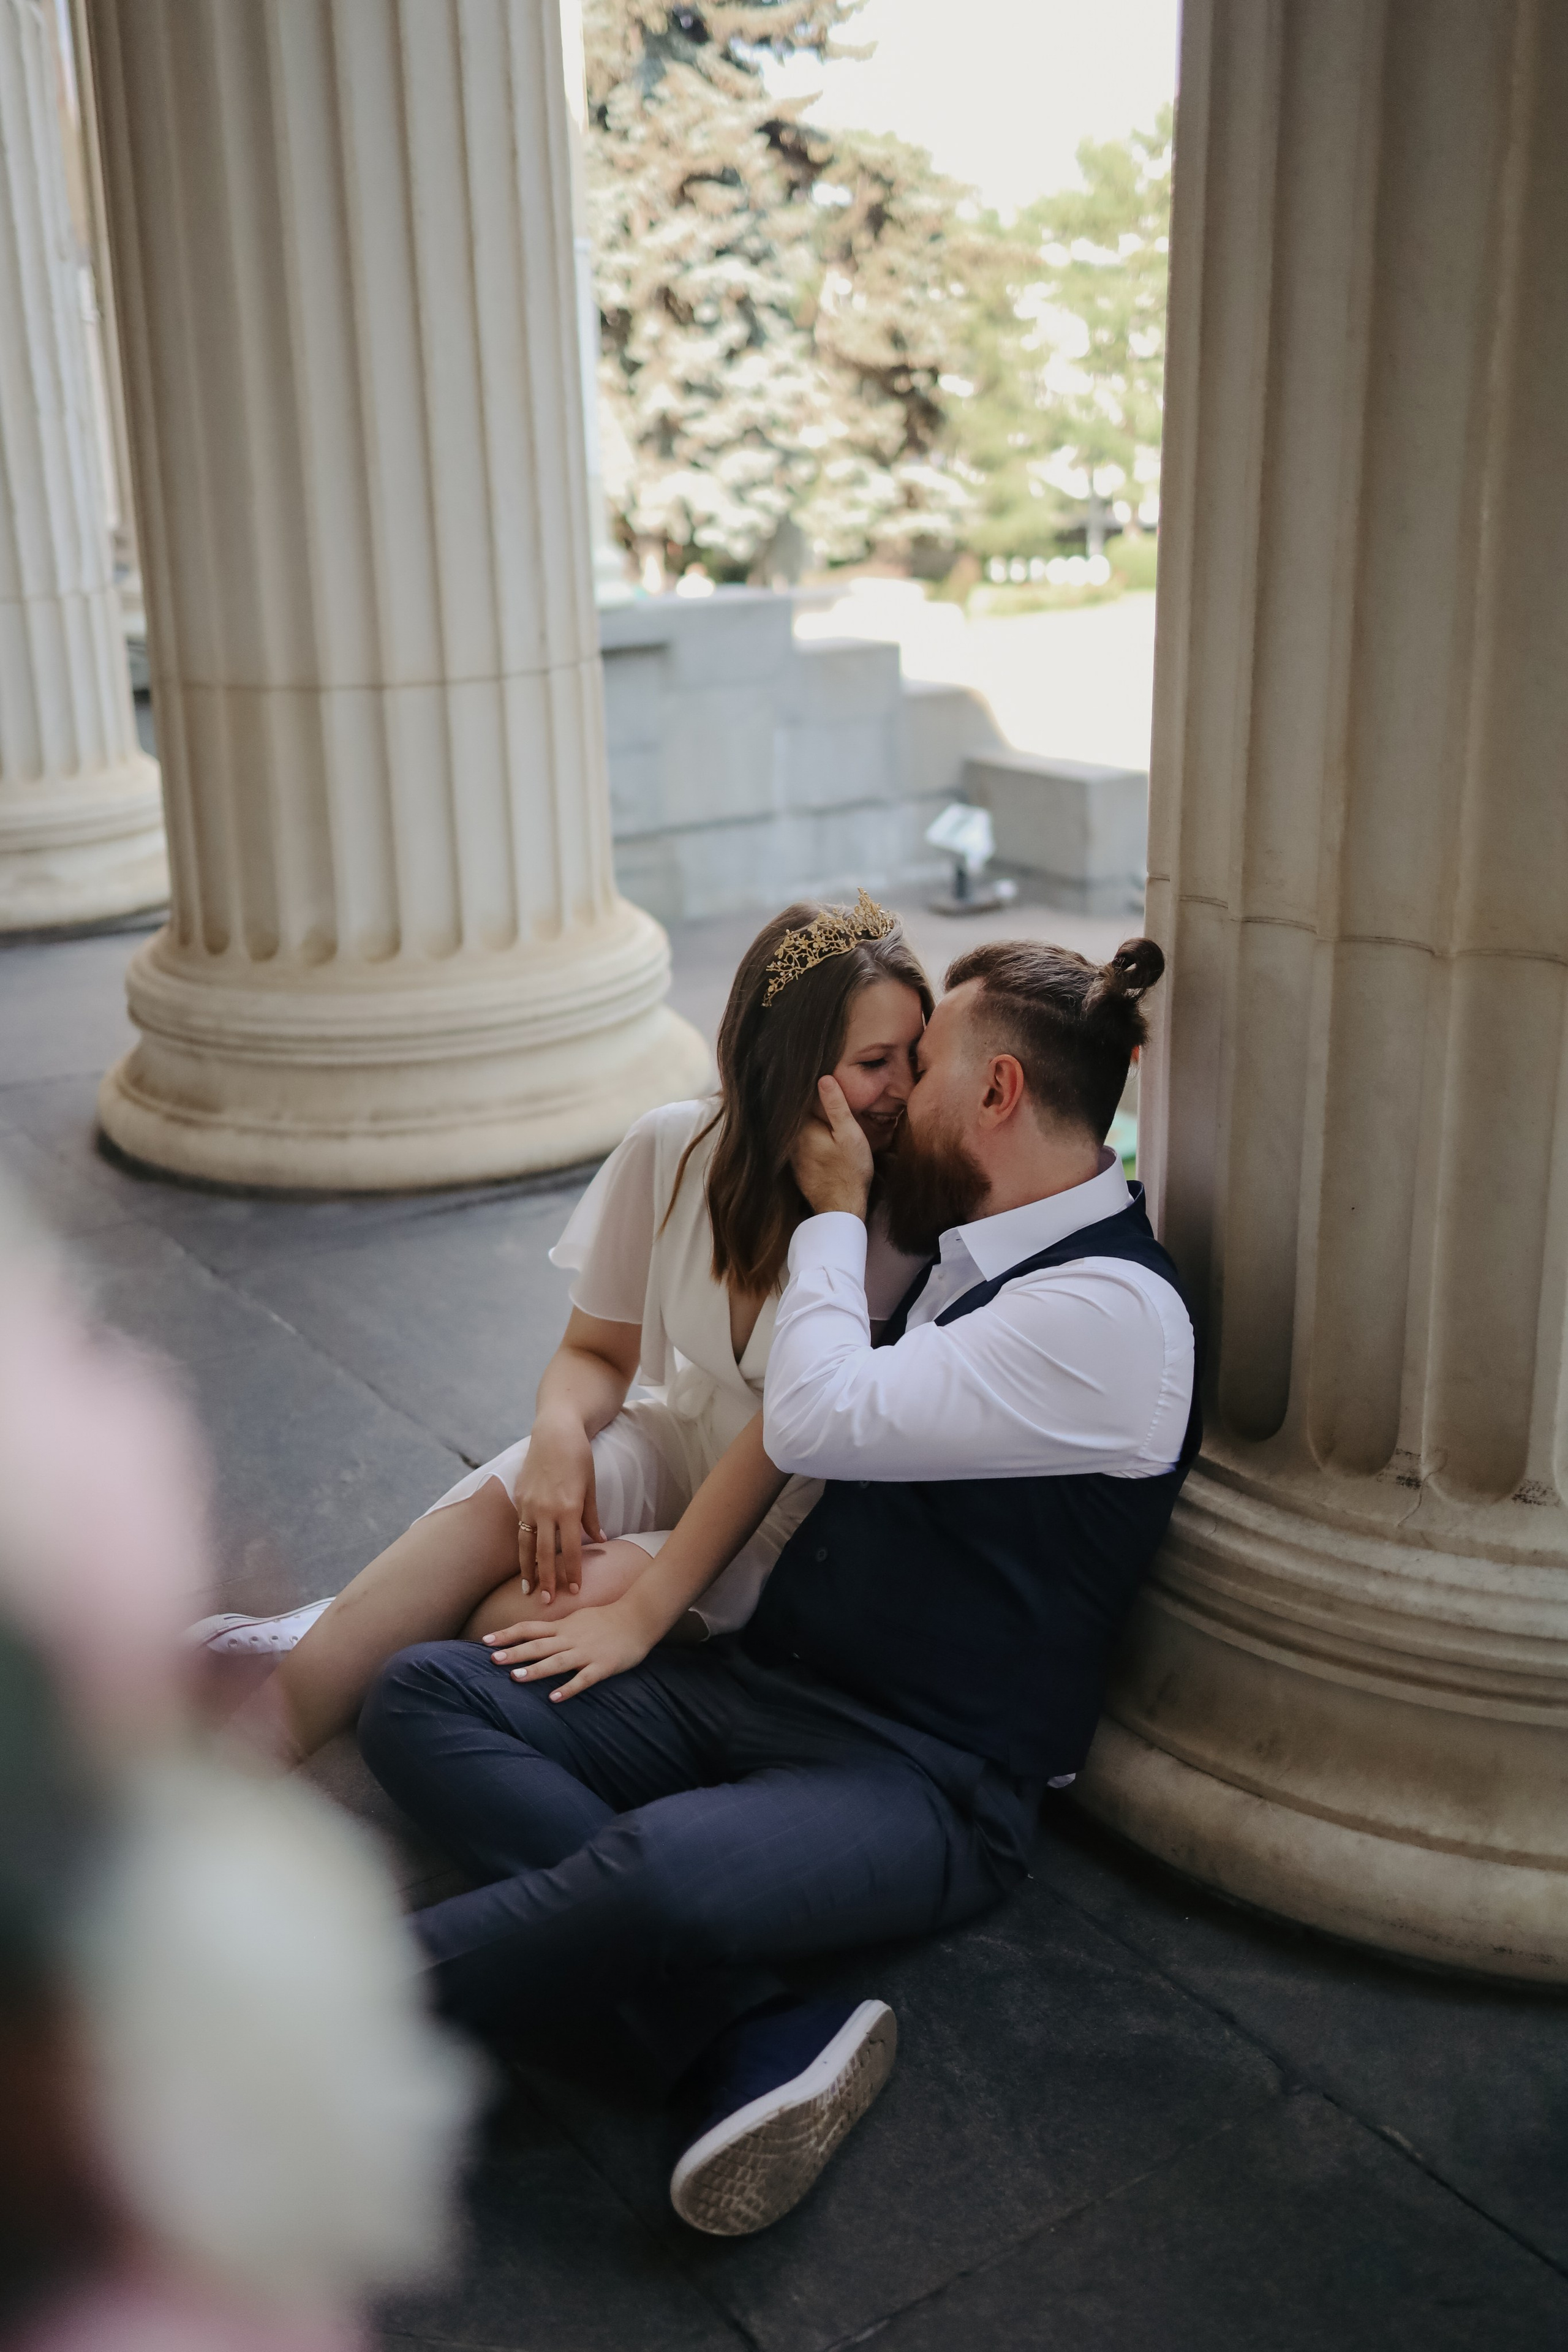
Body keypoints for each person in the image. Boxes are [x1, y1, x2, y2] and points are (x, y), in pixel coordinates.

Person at [359, 932, 1200, 2239]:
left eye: (914, 1070)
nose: (879, 1103)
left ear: (992, 1098)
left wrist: (826, 1216)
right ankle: (753, 2027)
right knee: (425, 1695)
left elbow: (811, 1416)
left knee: (652, 1878)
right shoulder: (966, 1251)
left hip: (922, 1776)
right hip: (758, 1693)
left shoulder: (1107, 1314)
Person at [197, 894, 932, 1763]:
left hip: (779, 1522)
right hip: (676, 1436)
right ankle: (224, 1780)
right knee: (497, 1514)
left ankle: (350, 1628)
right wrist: (555, 1435)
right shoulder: (675, 1149)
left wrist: (639, 1613)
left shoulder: (888, 1218)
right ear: (787, 1062)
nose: (905, 1090)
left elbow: (778, 1443)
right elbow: (595, 1351)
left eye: (915, 1057)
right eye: (877, 1061)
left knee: (519, 1609)